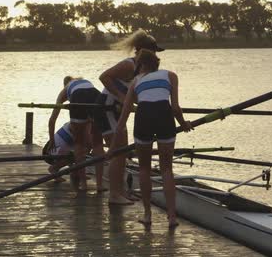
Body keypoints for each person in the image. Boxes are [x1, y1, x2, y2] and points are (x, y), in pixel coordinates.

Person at [113, 49, 193, 228]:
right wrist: (184, 124)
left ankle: (148, 215)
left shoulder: (135, 81)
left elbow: (124, 115)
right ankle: (172, 217)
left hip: (144, 118)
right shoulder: (171, 75)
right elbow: (175, 108)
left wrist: (112, 147)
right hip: (164, 116)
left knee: (144, 168)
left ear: (140, 65)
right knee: (166, 169)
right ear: (157, 62)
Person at [95, 29, 164, 205]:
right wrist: (121, 97)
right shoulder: (129, 65)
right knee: (118, 152)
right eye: (153, 51)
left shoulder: (143, 69)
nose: (155, 55)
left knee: (122, 152)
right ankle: (114, 195)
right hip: (106, 108)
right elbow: (104, 77)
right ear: (144, 51)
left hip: (117, 110)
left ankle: (121, 191)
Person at [48, 76, 104, 192]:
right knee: (98, 144)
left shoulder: (65, 91)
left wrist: (51, 139)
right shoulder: (86, 82)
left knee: (79, 143)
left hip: (78, 98)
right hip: (96, 95)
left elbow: (52, 119)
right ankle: (99, 184)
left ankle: (83, 184)